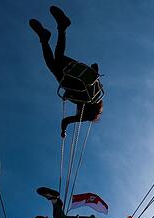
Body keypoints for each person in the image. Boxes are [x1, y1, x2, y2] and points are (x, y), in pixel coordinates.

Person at [29, 6, 103, 137]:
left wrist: (94, 71)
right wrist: (63, 131)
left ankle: (47, 35)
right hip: (68, 78)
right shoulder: (86, 112)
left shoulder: (93, 97)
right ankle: (54, 32)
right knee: (53, 61)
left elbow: (94, 71)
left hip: (74, 72)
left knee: (56, 58)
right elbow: (66, 120)